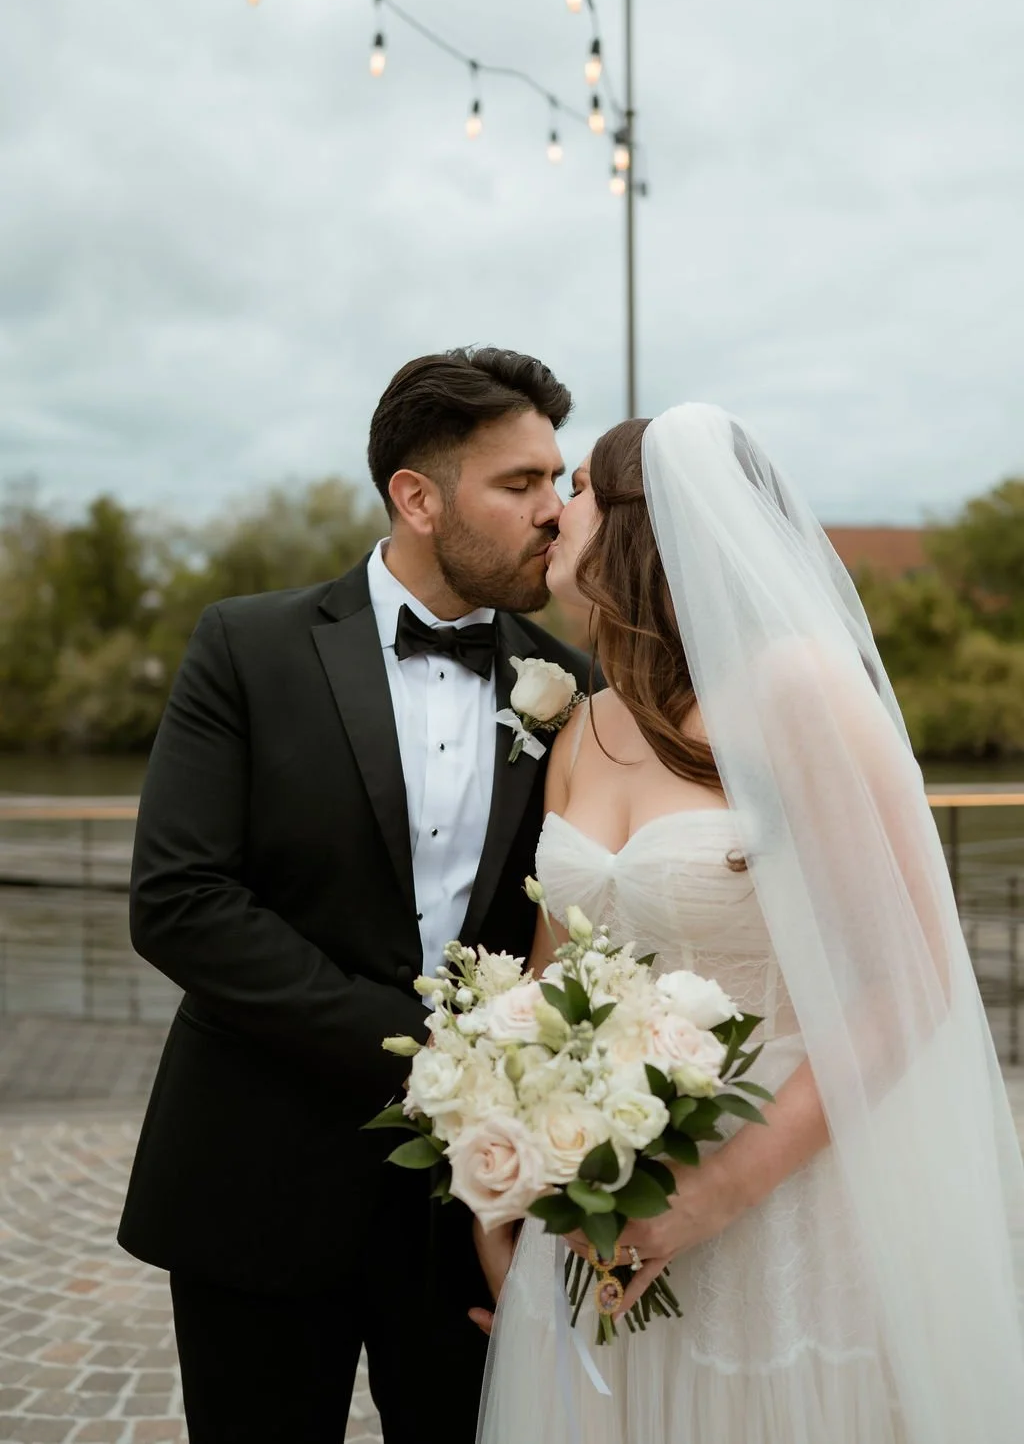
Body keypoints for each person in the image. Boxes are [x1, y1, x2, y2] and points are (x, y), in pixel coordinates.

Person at [474, 405, 1024, 1444]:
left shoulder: (793, 691)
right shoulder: (585, 725)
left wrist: (708, 1194)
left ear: (649, 520)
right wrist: (506, 1188)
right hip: (599, 1205)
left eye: (579, 488)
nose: (553, 513)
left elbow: (906, 979)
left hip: (785, 1208)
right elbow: (550, 983)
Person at [116, 346, 591, 1444]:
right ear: (416, 498)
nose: (553, 514)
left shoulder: (578, 689)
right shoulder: (246, 646)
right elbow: (179, 899)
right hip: (259, 1180)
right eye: (519, 485)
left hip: (479, 1205)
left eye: (558, 482)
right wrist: (422, 1048)